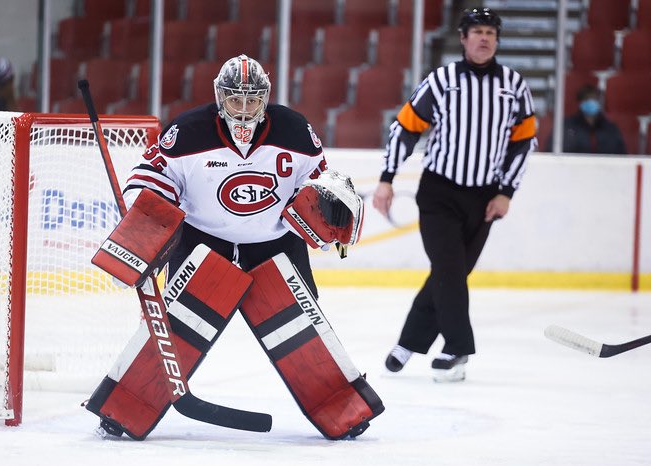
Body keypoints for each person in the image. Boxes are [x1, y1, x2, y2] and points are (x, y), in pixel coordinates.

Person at [84, 54, 383, 440]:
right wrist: (146, 216)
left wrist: (326, 202)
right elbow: (151, 177)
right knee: (176, 330)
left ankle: (344, 410)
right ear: (219, 97)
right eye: (235, 100)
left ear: (266, 98)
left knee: (302, 333)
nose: (243, 109)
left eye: (252, 101)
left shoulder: (294, 130)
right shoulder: (187, 131)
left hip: (275, 243)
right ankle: (125, 407)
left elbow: (320, 180)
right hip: (203, 241)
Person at [373, 7, 536, 382]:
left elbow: (524, 144)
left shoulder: (514, 85)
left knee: (452, 273)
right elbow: (405, 128)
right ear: (462, 38)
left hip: (484, 199)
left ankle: (409, 342)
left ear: (497, 40)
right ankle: (457, 348)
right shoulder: (442, 80)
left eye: (490, 33)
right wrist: (387, 178)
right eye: (477, 31)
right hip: (439, 193)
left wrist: (507, 192)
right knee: (449, 268)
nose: (484, 38)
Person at [549, 84, 627, 154]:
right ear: (580, 103)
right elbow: (552, 151)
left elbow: (621, 155)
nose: (591, 102)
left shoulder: (610, 129)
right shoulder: (566, 127)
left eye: (594, 99)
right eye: (587, 99)